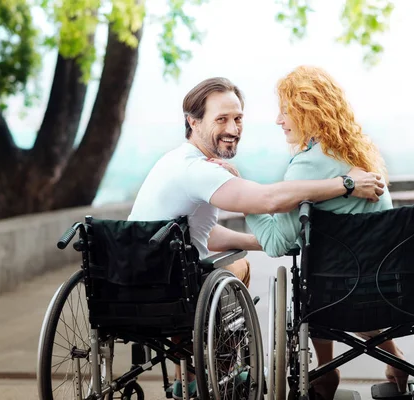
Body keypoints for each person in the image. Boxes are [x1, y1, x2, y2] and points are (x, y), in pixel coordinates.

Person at [127, 76, 387, 399]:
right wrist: (345, 184)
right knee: (237, 270)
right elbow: (267, 201)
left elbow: (204, 236)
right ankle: (219, 370)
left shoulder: (172, 162)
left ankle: (194, 372)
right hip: (170, 289)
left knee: (230, 262)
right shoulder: (201, 170)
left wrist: (256, 242)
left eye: (238, 119)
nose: (233, 128)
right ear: (192, 122)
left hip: (132, 282)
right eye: (221, 119)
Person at [241, 66, 408, 399]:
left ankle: (326, 369)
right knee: (348, 276)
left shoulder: (307, 166)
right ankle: (396, 360)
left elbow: (277, 243)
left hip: (333, 293)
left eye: (285, 111)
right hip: (389, 286)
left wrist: (246, 202)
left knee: (319, 279)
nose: (278, 120)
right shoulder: (360, 155)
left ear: (308, 111)